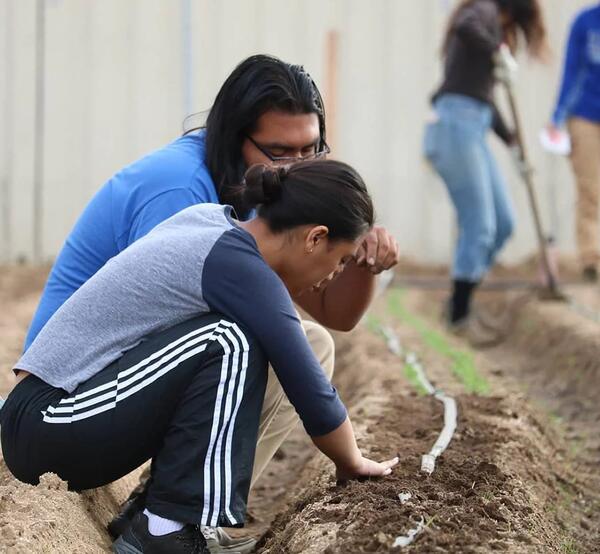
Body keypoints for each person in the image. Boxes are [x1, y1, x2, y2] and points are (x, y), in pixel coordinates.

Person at [21, 54, 399, 550]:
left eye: (312, 151)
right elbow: (289, 356)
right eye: (282, 152)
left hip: (100, 394)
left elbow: (330, 314)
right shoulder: (182, 192)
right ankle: (166, 521)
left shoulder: (233, 220)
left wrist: (362, 265)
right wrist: (351, 461)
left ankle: (179, 513)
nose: (299, 167)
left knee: (288, 341)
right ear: (237, 137)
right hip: (67, 398)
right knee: (237, 340)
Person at [423, 0, 547, 344]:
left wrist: (511, 142)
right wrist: (497, 51)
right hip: (454, 126)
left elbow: (484, 100)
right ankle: (459, 318)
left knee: (503, 223)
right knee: (480, 225)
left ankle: (460, 302)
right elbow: (465, 25)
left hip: (473, 125)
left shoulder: (495, 26)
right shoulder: (484, 10)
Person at [548, 3, 600, 282]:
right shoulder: (585, 22)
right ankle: (591, 259)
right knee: (590, 189)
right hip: (585, 115)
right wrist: (557, 114)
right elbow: (571, 69)